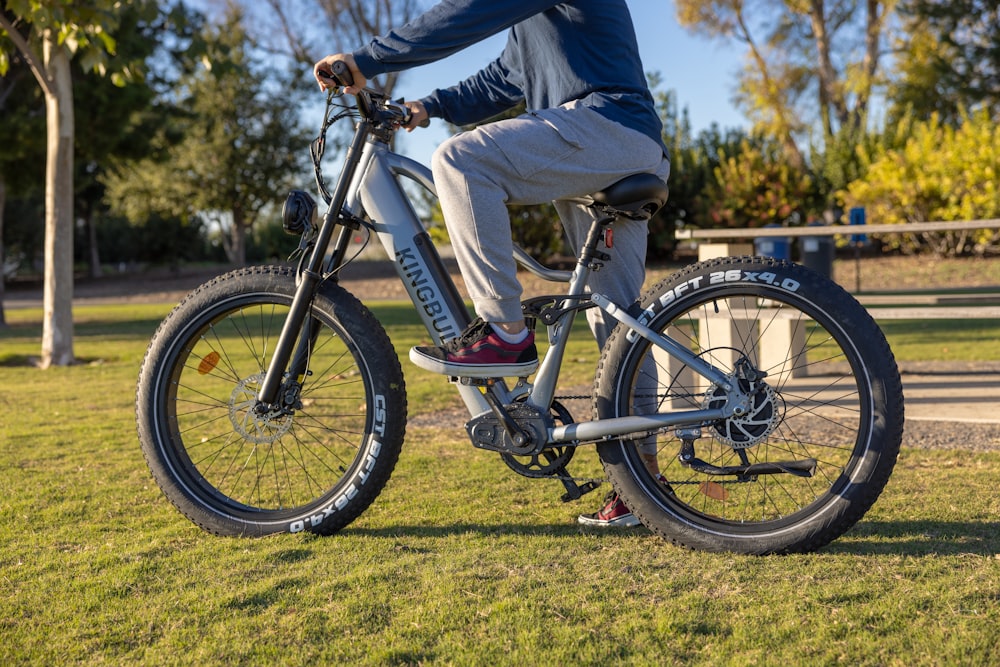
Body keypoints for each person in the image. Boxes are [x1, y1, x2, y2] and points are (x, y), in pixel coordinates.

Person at [314, 0, 669, 528]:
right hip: (616, 142)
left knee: (460, 160)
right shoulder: (535, 26)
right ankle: (643, 490)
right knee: (616, 322)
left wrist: (369, 59)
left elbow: (470, 13)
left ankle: (504, 331)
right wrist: (426, 108)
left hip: (603, 124)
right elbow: (504, 78)